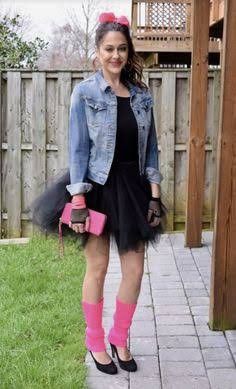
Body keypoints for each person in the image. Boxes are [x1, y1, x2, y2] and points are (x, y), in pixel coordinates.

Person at [31, 12, 167, 375]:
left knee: (134, 270)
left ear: (129, 52)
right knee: (98, 266)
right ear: (97, 51)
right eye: (109, 49)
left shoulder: (141, 96)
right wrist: (77, 201)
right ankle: (94, 340)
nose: (116, 56)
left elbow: (151, 149)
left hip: (134, 189)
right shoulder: (85, 93)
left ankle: (119, 337)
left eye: (122, 49)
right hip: (94, 188)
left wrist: (154, 195)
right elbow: (77, 149)